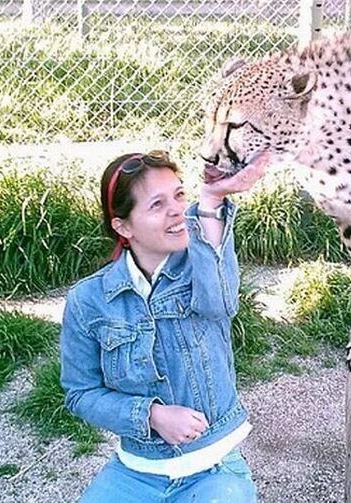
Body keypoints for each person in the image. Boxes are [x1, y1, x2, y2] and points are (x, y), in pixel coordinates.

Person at [60, 149, 267, 502]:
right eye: (157, 205)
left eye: (179, 195)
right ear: (123, 227)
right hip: (135, 471)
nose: (177, 211)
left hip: (214, 469)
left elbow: (221, 302)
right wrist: (151, 415)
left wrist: (212, 196)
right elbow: (80, 393)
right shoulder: (88, 300)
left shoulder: (200, 269)